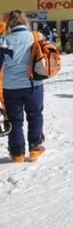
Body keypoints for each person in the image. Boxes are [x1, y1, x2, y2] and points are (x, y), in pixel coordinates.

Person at [0, 10, 46, 162]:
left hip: (10, 87)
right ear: (25, 21)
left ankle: (17, 153)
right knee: (35, 116)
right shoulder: (36, 36)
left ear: (10, 24)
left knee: (14, 120)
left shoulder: (4, 41)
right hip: (34, 84)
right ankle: (35, 148)